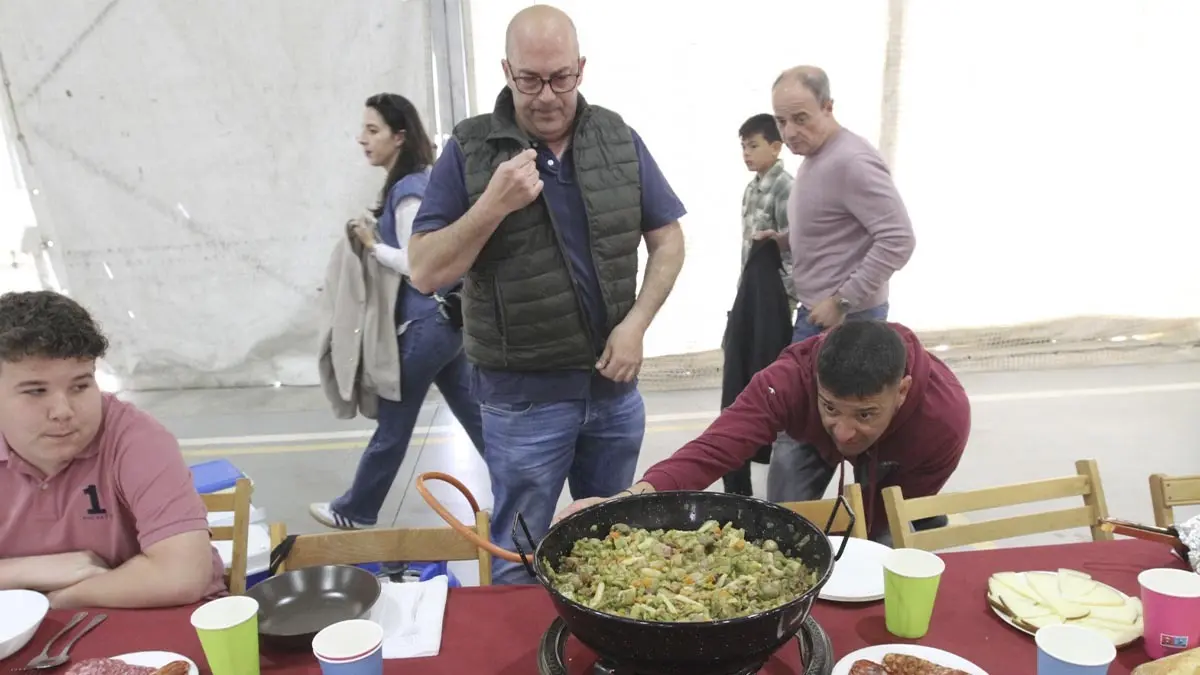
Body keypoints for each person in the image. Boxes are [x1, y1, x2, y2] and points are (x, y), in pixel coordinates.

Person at [407, 4, 687, 584]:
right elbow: (425, 272)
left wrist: (635, 325)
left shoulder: (617, 137)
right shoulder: (471, 149)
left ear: (581, 68)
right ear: (506, 70)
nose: (546, 96)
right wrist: (492, 204)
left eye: (561, 77)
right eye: (529, 80)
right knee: (521, 554)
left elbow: (669, 241)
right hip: (522, 401)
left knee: (614, 548)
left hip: (612, 391)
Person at [556, 321, 971, 544]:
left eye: (864, 414)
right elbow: (713, 449)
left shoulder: (943, 420)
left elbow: (885, 515)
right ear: (814, 384)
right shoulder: (789, 380)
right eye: (830, 407)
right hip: (806, 436)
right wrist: (627, 500)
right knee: (785, 528)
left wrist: (849, 545)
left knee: (879, 539)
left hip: (897, 462)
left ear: (902, 391)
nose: (844, 433)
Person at [310, 93, 485, 530]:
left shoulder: (408, 192)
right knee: (479, 419)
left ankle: (355, 510)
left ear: (399, 136)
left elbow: (416, 263)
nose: (362, 139)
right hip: (447, 326)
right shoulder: (418, 184)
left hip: (426, 327)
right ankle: (522, 495)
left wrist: (372, 246)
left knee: (393, 426)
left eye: (373, 131)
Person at [0, 291, 226, 608]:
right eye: (36, 391)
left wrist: (56, 600)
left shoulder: (137, 439)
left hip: (155, 619)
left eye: (80, 385)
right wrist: (28, 570)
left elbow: (182, 575)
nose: (62, 410)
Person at [766, 66, 917, 502]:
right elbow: (833, 229)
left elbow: (898, 239)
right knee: (805, 430)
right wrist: (782, 242)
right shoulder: (816, 160)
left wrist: (842, 300)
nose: (790, 131)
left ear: (828, 107)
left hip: (843, 321)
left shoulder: (850, 161)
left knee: (801, 434)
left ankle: (790, 531)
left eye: (801, 118)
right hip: (816, 313)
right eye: (781, 121)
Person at [721, 113, 798, 496]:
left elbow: (796, 251)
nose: (747, 154)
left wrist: (784, 296)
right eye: (743, 147)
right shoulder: (751, 190)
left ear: (776, 145)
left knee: (768, 391)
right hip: (747, 299)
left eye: (753, 145)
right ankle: (736, 489)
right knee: (735, 390)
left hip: (775, 305)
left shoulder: (788, 188)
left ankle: (778, 487)